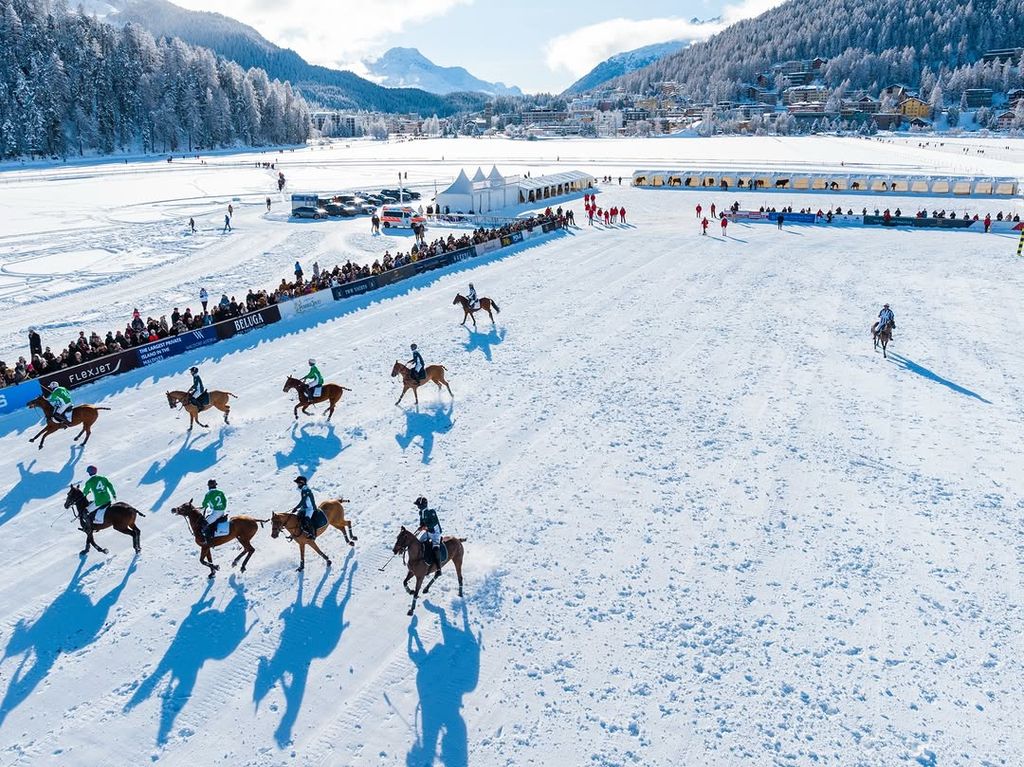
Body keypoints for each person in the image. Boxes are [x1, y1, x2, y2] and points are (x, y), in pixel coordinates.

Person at [81, 465, 116, 532]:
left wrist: (87, 492)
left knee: (85, 512)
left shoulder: (89, 482)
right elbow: (110, 486)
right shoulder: (103, 478)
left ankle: (91, 528)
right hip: (108, 499)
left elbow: (84, 492)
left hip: (99, 501)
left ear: (89, 473)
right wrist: (113, 494)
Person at [414, 496, 443, 568]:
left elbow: (433, 523)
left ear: (422, 505)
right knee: (419, 543)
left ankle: (438, 568)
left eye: (418, 505)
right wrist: (421, 526)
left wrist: (425, 527)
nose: (417, 506)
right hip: (427, 532)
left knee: (435, 548)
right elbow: (422, 522)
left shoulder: (431, 511)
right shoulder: (421, 512)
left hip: (435, 533)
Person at [200, 479, 228, 545]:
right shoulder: (220, 492)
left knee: (205, 524)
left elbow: (204, 504)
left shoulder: (208, 494)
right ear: (215, 485)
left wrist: (206, 506)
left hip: (216, 512)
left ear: (209, 486)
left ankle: (209, 541)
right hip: (221, 511)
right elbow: (225, 501)